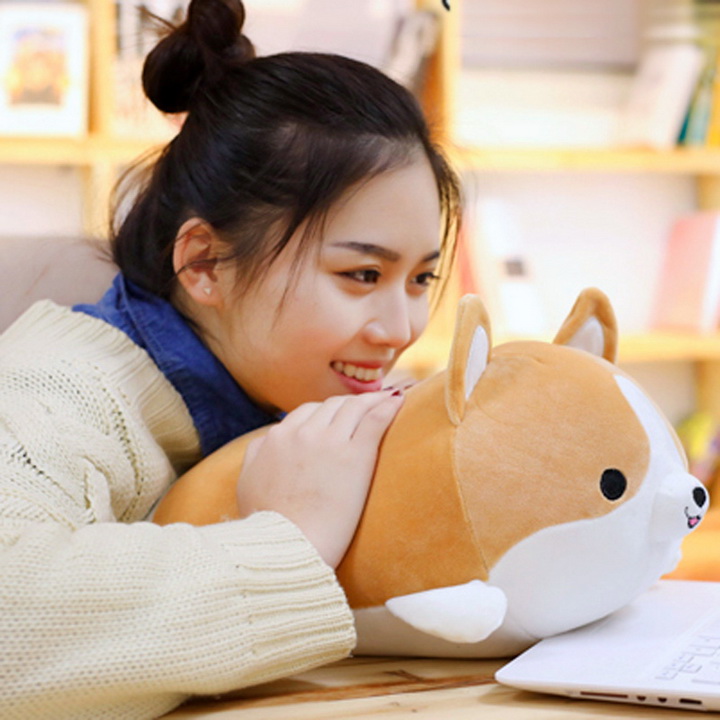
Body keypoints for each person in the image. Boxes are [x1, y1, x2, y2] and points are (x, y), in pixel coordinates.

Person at [0, 0, 461, 718]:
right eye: (362, 275)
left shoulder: (287, 392)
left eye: (421, 279)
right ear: (205, 264)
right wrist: (292, 541)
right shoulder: (53, 395)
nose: (402, 329)